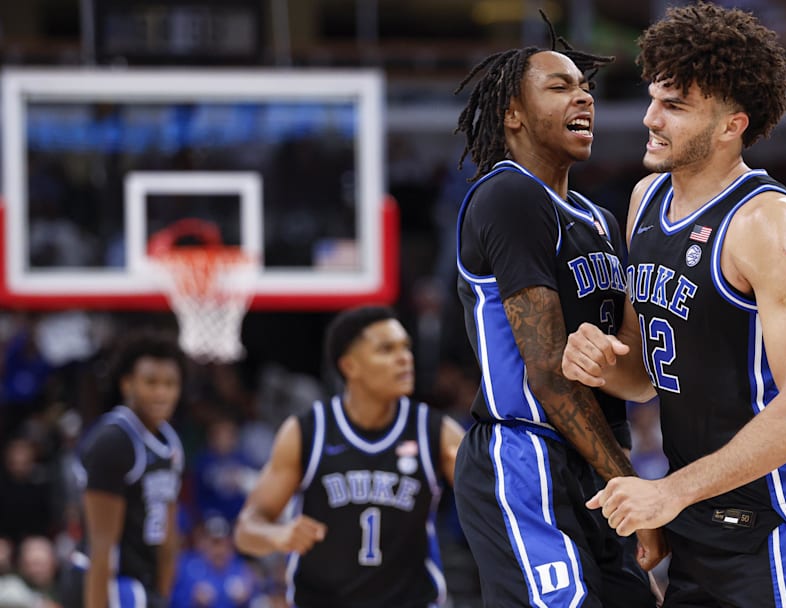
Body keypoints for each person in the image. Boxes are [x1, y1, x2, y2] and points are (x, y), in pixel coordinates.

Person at [561, 3, 786, 606]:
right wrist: (600, 362)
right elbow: (645, 375)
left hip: (781, 525)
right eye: (653, 99)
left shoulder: (768, 223)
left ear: (731, 125)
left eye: (674, 106)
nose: (650, 118)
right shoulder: (644, 199)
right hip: (698, 521)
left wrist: (671, 491)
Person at [452, 14, 664, 608]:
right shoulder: (510, 193)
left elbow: (634, 372)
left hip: (593, 458)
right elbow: (547, 372)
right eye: (560, 86)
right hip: (526, 452)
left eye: (586, 87)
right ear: (512, 115)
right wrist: (630, 482)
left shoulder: (599, 219)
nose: (584, 96)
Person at [233, 306, 464, 607]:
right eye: (386, 349)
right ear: (350, 366)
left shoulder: (435, 431)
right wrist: (278, 535)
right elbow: (245, 531)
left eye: (406, 347)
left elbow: (496, 503)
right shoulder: (308, 432)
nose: (405, 358)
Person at [59, 331, 186, 608]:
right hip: (104, 583)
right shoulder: (114, 441)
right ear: (128, 385)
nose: (161, 393)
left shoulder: (171, 442)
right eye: (151, 382)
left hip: (140, 583)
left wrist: (162, 596)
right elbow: (101, 545)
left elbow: (168, 536)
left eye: (170, 384)